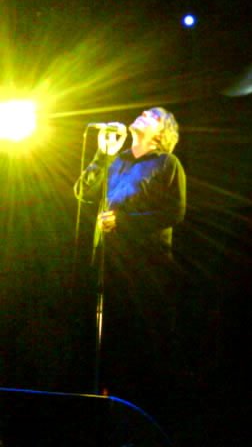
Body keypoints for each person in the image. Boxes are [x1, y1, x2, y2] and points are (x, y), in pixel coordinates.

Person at [73, 107, 187, 429]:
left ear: (161, 133)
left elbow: (174, 212)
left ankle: (141, 418)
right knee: (105, 345)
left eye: (152, 115)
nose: (142, 113)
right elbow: (83, 192)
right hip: (109, 265)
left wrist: (123, 222)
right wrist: (102, 154)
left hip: (146, 268)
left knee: (138, 345)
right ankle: (101, 414)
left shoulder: (167, 163)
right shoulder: (116, 160)